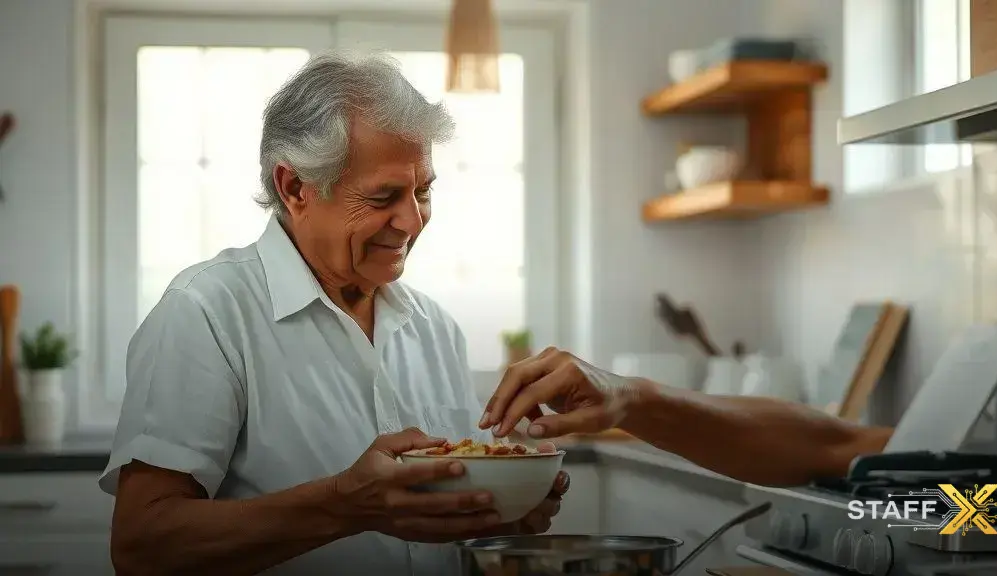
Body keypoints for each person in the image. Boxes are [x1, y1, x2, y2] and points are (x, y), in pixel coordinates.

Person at [99, 52, 566, 576]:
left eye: (424, 191)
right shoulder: (206, 312)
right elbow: (141, 548)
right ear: (295, 188)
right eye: (384, 195)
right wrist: (342, 505)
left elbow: (434, 525)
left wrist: (499, 513)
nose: (412, 220)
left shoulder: (435, 329)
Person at [481, 348, 894, 487]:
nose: (414, 217)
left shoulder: (958, 503)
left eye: (425, 192)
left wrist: (629, 396)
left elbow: (840, 447)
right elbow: (839, 444)